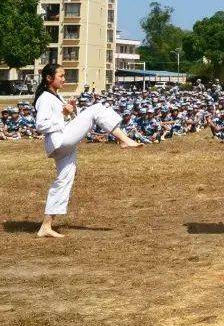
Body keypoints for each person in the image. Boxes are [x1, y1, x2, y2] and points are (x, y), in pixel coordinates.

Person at [34, 63, 143, 238]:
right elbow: (40, 125)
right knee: (96, 109)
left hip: (61, 142)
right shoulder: (44, 98)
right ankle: (124, 139)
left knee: (63, 181)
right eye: (61, 76)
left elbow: (64, 118)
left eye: (64, 76)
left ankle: (46, 226)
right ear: (49, 78)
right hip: (60, 139)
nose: (64, 79)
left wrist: (70, 110)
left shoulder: (55, 96)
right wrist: (63, 113)